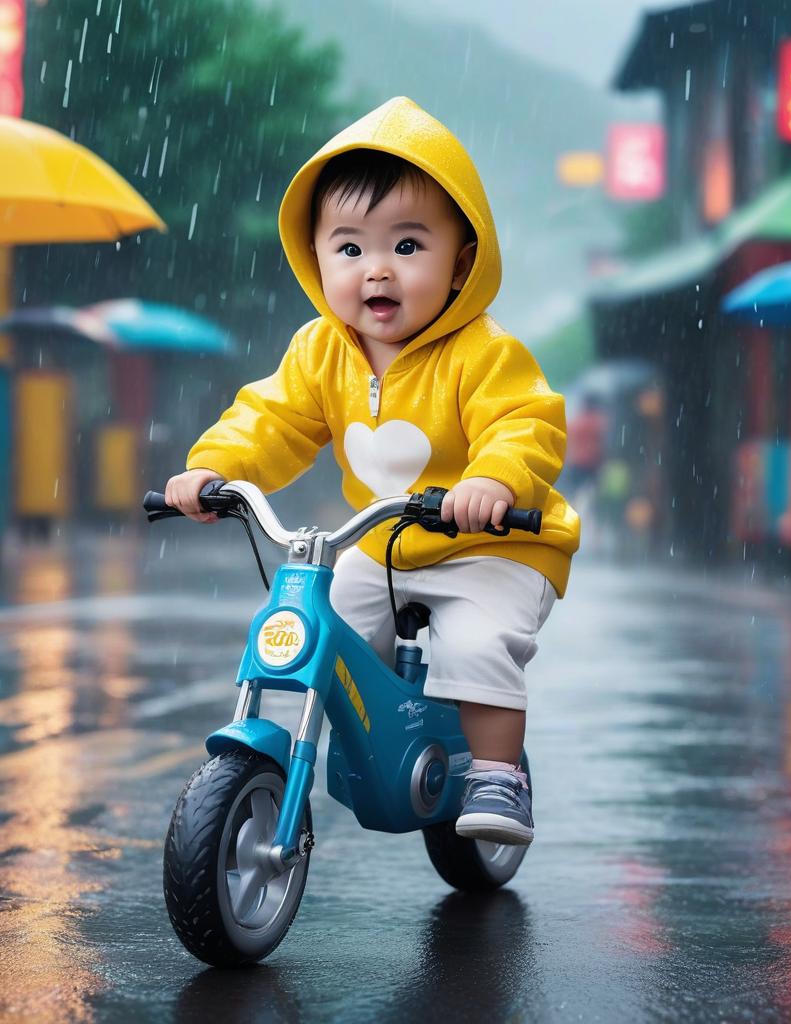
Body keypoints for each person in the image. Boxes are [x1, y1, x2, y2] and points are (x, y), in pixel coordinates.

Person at [164, 97, 580, 845]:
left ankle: (496, 773)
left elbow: (526, 422)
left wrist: (494, 481)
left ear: (461, 261)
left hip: (493, 545)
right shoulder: (320, 350)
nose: (376, 270)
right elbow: (275, 417)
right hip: (385, 547)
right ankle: (304, 755)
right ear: (315, 257)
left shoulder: (482, 352)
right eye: (349, 249)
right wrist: (215, 468)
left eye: (408, 247)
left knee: (476, 644)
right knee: (319, 627)